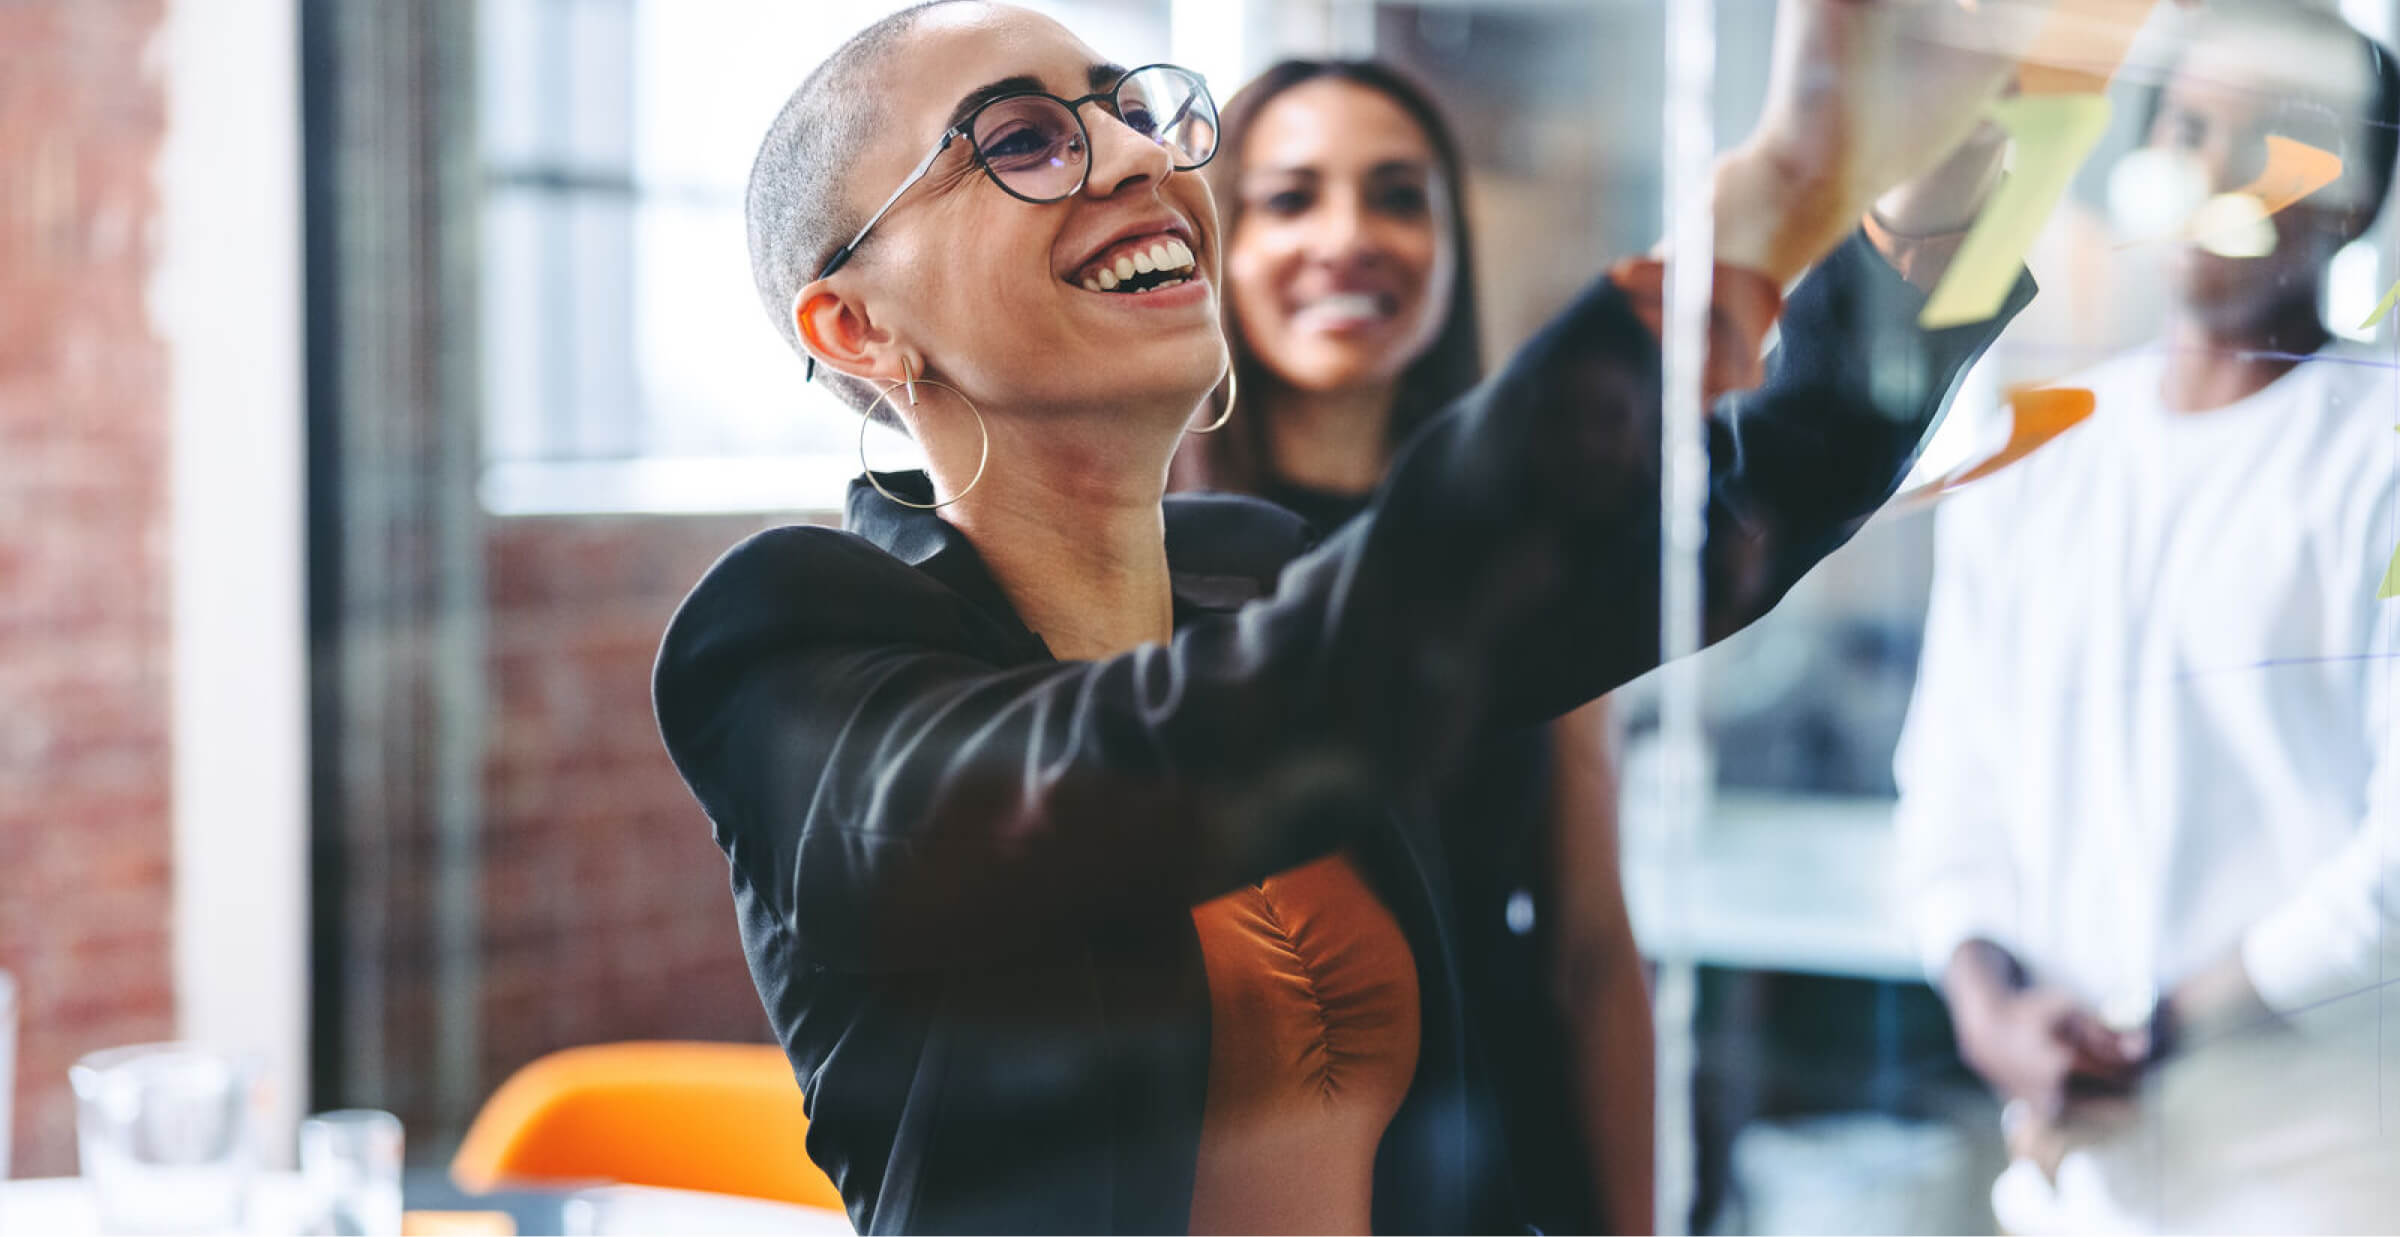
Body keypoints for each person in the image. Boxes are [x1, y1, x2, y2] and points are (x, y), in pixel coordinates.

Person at [656, 0, 2033, 1230]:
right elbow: (1198, 743)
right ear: (856, 329)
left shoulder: (1256, 571)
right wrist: (1761, 205)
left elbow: (1739, 508)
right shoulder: (785, 645)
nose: (1141, 156)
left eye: (1135, 111)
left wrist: (2034, 128)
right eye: (1019, 138)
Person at [1894, 6, 2400, 1230]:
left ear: (2349, 197)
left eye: (2270, 139)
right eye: (2187, 126)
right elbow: (1947, 790)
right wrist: (1989, 1008)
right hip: (2070, 1177)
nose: (2212, 170)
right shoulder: (2038, 444)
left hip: (2315, 1174)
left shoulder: (2377, 454)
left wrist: (2152, 1029)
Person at [1167, 59, 1645, 1234]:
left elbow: (1589, 946)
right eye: (1289, 199)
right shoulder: (1143, 554)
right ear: (1219, 247)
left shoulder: (1539, 541)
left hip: (1497, 1167)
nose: (1348, 236)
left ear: (1449, 246)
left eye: (1396, 195)